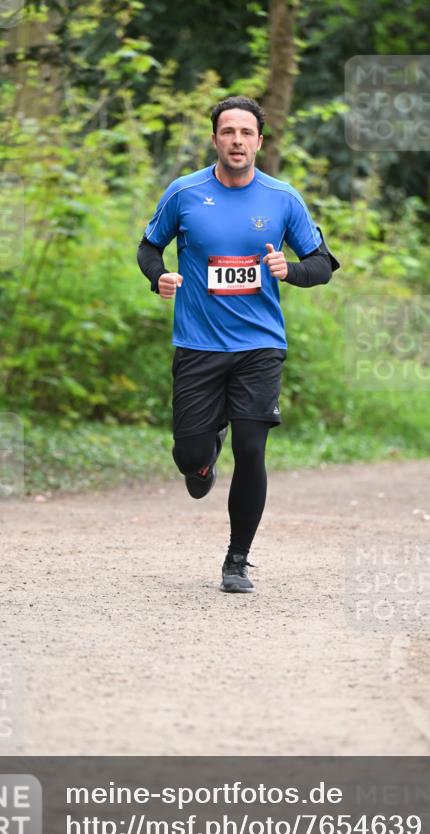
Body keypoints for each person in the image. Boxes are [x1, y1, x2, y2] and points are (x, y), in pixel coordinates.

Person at [137, 96, 339, 593]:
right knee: (189, 459)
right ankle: (205, 453)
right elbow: (148, 247)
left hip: (259, 346)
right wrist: (159, 276)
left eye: (246, 133)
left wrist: (287, 270)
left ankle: (237, 560)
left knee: (252, 449)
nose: (237, 141)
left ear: (260, 142)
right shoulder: (185, 193)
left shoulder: (282, 198)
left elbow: (322, 265)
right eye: (228, 132)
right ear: (215, 139)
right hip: (198, 344)